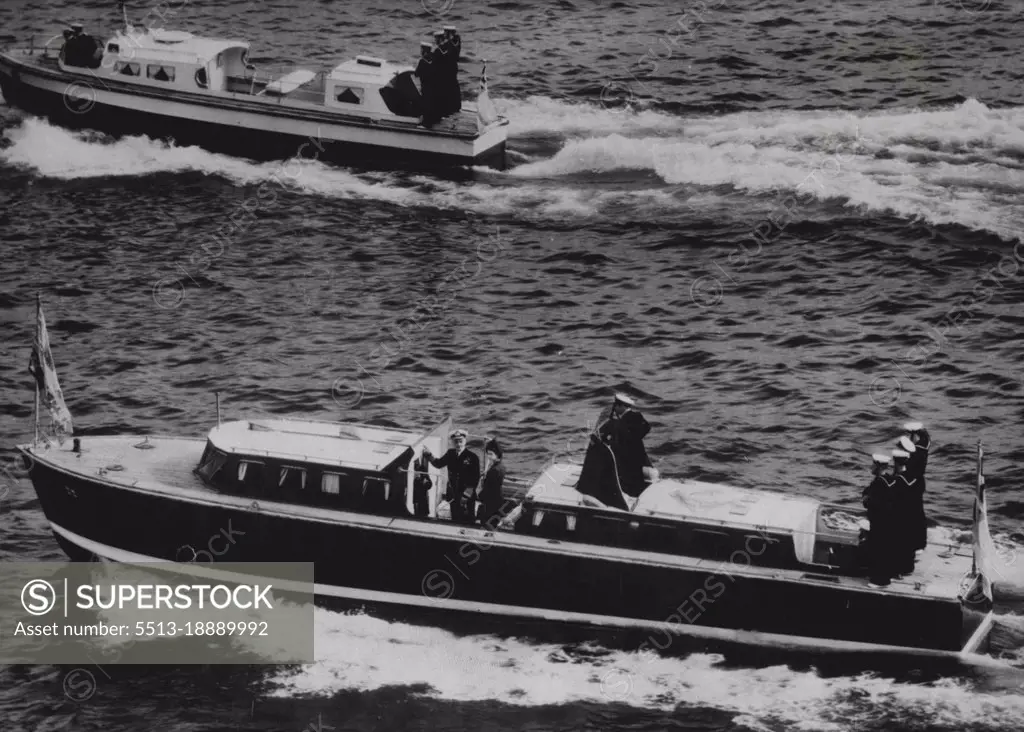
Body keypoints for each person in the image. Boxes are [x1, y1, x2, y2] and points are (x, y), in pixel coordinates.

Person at [575, 393, 657, 510]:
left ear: (621, 406)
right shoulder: (636, 416)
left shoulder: (621, 421)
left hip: (627, 459)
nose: (615, 409)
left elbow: (617, 437)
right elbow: (646, 428)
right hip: (637, 457)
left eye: (616, 406)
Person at [423, 429, 480, 523]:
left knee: (468, 520)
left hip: (467, 496)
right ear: (453, 443)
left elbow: (474, 480)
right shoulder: (450, 453)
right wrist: (429, 455)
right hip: (453, 493)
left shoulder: (473, 457)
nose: (458, 444)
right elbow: (438, 464)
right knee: (455, 518)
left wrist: (465, 497)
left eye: (460, 441)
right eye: (456, 442)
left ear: (465, 441)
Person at [862, 452, 897, 587]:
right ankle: (888, 575)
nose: (871, 467)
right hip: (888, 520)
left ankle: (880, 581)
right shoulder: (890, 480)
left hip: (880, 521)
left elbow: (871, 502)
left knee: (879, 549)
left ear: (878, 467)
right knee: (886, 548)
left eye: (873, 465)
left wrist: (866, 499)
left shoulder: (879, 483)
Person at [903, 421, 931, 552]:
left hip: (913, 483)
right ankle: (918, 543)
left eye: (911, 435)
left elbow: (910, 469)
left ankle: (917, 543)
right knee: (916, 513)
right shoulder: (923, 445)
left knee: (914, 514)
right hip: (917, 483)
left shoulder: (918, 451)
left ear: (916, 435)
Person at [890, 447, 918, 577]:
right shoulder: (913, 478)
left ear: (896, 463)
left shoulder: (898, 480)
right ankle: (907, 568)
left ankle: (896, 571)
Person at [476, 438, 506, 527]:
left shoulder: (495, 470)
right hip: (497, 501)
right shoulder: (500, 466)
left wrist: (479, 496)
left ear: (497, 454)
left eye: (491, 454)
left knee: (486, 524)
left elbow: (489, 488)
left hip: (491, 503)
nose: (488, 457)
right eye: (488, 454)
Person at [414, 41, 440, 127]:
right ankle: (432, 120)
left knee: (426, 104)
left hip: (426, 86)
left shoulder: (422, 61)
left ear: (424, 51)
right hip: (434, 86)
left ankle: (426, 124)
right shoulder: (435, 59)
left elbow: (416, 74)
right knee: (432, 103)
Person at [442, 25, 463, 115]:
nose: (444, 34)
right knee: (453, 86)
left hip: (450, 67)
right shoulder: (454, 41)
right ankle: (454, 106)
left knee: (450, 86)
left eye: (445, 32)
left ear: (449, 33)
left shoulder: (453, 42)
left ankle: (452, 107)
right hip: (452, 67)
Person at [411, 452, 433, 517]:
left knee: (423, 515)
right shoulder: (410, 471)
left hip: (422, 498)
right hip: (415, 498)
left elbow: (430, 484)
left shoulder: (422, 469)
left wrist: (425, 483)